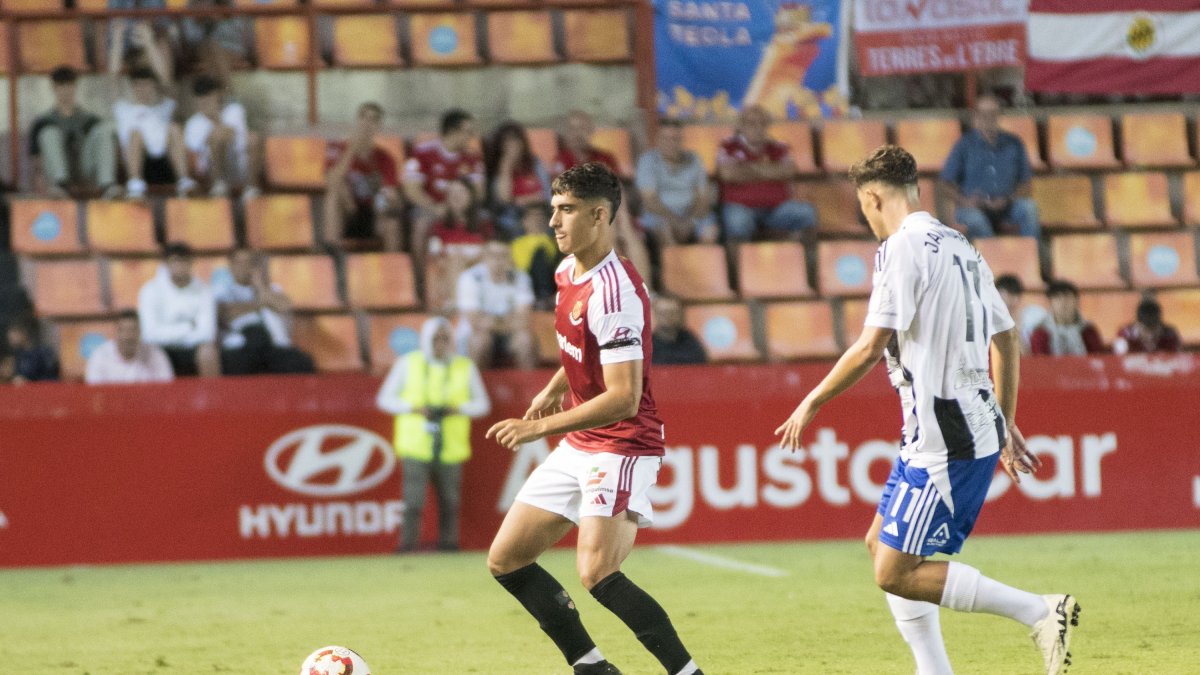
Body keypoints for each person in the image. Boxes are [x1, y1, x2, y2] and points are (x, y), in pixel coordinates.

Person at [774, 146, 1078, 675]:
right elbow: (1005, 339)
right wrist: (1002, 421)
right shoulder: (960, 244)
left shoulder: (900, 249)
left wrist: (811, 401)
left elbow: (871, 346)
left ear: (873, 197)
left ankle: (1040, 611)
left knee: (894, 570)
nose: (866, 217)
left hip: (947, 432)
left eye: (863, 206)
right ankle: (935, 671)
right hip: (958, 422)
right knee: (880, 545)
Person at [486, 163, 703, 675]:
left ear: (599, 215)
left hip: (623, 443)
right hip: (581, 442)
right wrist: (551, 389)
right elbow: (580, 352)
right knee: (507, 559)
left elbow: (624, 397)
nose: (553, 222)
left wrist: (538, 428)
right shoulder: (567, 272)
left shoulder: (616, 294)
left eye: (566, 211)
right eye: (553, 209)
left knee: (598, 571)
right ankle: (592, 667)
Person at [376, 316, 491, 553]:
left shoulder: (464, 366)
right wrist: (413, 408)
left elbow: (482, 405)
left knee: (450, 501)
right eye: (436, 338)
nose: (440, 343)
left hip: (450, 445)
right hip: (416, 444)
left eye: (445, 338)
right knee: (413, 501)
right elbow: (385, 399)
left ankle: (448, 544)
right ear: (426, 340)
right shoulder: (407, 363)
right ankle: (407, 545)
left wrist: (458, 409)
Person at [552, 110, 652, 282]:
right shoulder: (560, 160)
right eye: (573, 129)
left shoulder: (605, 157)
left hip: (611, 212)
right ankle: (608, 288)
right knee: (607, 228)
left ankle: (645, 289)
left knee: (628, 232)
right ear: (566, 133)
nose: (578, 134)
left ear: (591, 131)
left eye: (583, 128)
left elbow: (616, 187)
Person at [938, 93, 1040, 240]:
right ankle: (990, 260)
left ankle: (1033, 260)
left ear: (999, 115)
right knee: (976, 220)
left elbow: (1026, 184)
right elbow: (944, 184)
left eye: (993, 113)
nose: (988, 118)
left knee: (1029, 208)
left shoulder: (1015, 143)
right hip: (972, 207)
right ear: (976, 116)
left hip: (1007, 206)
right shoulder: (964, 145)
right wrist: (964, 201)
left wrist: (1008, 199)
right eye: (984, 114)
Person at [716, 105, 817, 247]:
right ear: (741, 126)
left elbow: (789, 171)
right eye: (751, 123)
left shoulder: (779, 147)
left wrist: (747, 168)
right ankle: (737, 268)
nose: (758, 128)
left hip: (776, 208)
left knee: (806, 213)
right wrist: (771, 171)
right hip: (740, 206)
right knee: (737, 222)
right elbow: (728, 174)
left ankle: (805, 266)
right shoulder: (728, 146)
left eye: (762, 123)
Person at [404, 108, 485, 277]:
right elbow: (411, 190)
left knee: (487, 220)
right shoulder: (423, 153)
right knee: (420, 225)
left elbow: (479, 192)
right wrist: (435, 208)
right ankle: (421, 279)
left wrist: (458, 207)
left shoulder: (472, 158)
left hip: (463, 209)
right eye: (468, 131)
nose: (471, 136)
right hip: (431, 208)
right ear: (452, 131)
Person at [212, 248, 315, 375]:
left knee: (302, 362)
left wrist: (259, 286)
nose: (244, 267)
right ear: (231, 265)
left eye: (249, 262)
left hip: (273, 347)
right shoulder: (222, 291)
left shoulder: (272, 288)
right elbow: (227, 313)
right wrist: (262, 304)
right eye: (239, 262)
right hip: (240, 348)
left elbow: (284, 306)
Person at [29, 66, 120, 199]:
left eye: (69, 86)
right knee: (49, 133)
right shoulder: (42, 122)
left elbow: (105, 148)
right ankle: (60, 185)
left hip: (85, 169)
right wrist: (39, 189)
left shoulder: (90, 120)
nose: (65, 91)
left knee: (104, 130)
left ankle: (107, 185)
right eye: (61, 86)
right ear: (53, 88)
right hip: (55, 175)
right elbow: (36, 161)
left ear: (75, 87)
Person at [323, 102, 403, 251]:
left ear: (379, 126)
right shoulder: (338, 149)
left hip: (372, 213)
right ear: (357, 121)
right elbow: (331, 184)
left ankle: (393, 268)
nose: (368, 124)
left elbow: (390, 193)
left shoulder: (385, 158)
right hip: (347, 212)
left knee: (390, 217)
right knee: (334, 195)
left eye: (373, 120)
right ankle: (331, 255)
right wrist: (351, 151)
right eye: (364, 118)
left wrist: (381, 209)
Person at [137, 243, 221, 377]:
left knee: (208, 351)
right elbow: (150, 334)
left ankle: (212, 396)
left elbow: (207, 333)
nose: (180, 266)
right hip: (160, 349)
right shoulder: (150, 290)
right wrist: (189, 326)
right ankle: (155, 397)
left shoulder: (205, 291)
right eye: (175, 261)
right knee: (147, 351)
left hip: (193, 349)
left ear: (191, 263)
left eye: (184, 261)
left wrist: (167, 332)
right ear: (166, 264)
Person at [112, 66, 195, 199]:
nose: (142, 90)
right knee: (135, 134)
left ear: (154, 86)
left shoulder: (166, 107)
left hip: (165, 162)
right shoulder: (124, 109)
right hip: (138, 162)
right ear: (132, 87)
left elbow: (166, 80)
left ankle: (184, 181)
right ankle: (135, 186)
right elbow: (113, 77)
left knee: (174, 128)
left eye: (146, 85)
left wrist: (148, 44)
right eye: (138, 86)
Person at [455, 241, 537, 370]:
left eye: (503, 255)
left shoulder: (520, 277)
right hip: (475, 334)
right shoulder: (470, 278)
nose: (498, 261)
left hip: (508, 335)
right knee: (480, 341)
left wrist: (491, 322)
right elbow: (474, 321)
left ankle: (531, 388)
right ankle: (476, 387)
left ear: (510, 257)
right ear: (484, 257)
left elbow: (523, 320)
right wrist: (507, 321)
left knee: (525, 341)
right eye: (493, 255)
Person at [636, 119, 718, 247]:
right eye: (666, 138)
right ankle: (676, 266)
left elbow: (703, 198)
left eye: (675, 139)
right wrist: (675, 221)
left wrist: (691, 222)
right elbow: (650, 200)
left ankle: (701, 266)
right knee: (664, 231)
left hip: (692, 214)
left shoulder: (695, 159)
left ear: (682, 141)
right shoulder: (647, 160)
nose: (671, 143)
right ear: (658, 140)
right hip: (660, 214)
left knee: (710, 231)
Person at [183, 76, 262, 199]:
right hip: (211, 168)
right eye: (202, 98)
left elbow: (230, 133)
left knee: (254, 138)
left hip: (237, 163)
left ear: (217, 95)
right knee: (216, 137)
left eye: (209, 96)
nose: (206, 101)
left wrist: (215, 117)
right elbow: (195, 151)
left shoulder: (234, 110)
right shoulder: (193, 123)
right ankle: (218, 186)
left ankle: (251, 189)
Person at [485, 120, 552, 239]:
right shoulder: (498, 167)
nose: (512, 145)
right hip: (512, 218)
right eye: (507, 142)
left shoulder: (534, 163)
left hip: (539, 213)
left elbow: (546, 194)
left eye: (515, 140)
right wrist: (506, 167)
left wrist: (521, 201)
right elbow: (504, 200)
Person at [85, 310, 175, 384]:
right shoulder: (100, 357)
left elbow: (167, 389)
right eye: (123, 330)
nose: (128, 336)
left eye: (133, 330)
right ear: (115, 332)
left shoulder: (156, 355)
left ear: (140, 332)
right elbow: (95, 393)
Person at [1029, 280, 1104, 356]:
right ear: (1050, 303)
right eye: (1057, 298)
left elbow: (1097, 359)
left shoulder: (1088, 330)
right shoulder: (1041, 332)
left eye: (1067, 297)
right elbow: (1040, 362)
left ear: (1076, 301)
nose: (1063, 302)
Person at [509, 202, 559, 310]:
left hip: (551, 289)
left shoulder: (558, 244)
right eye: (532, 217)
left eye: (540, 217)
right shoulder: (514, 245)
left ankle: (544, 297)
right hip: (521, 287)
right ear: (523, 221)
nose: (536, 221)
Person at [994, 274, 1047, 355]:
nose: (1008, 300)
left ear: (1018, 296)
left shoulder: (1033, 315)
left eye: (1012, 295)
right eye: (1001, 296)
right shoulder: (990, 322)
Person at [650, 294, 706, 365]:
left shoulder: (691, 341)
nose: (668, 317)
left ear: (681, 314)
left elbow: (700, 365)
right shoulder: (646, 345)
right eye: (663, 313)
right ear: (655, 314)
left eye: (672, 312)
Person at [1113, 297, 1181, 355]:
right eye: (1146, 330)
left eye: (1154, 329)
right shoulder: (1125, 335)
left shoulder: (1170, 335)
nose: (1150, 335)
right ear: (1137, 325)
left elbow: (1176, 359)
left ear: (1160, 325)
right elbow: (1118, 361)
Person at [5, 315, 59, 382]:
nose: (10, 336)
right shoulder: (19, 354)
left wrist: (30, 383)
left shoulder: (43, 353)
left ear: (24, 333)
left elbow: (53, 379)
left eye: (14, 332)